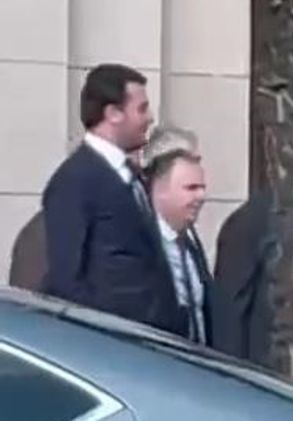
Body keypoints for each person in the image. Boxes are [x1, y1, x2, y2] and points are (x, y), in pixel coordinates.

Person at [42, 63, 189, 335]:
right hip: (112, 344)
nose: (150, 118)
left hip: (150, 342)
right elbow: (67, 283)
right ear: (113, 113)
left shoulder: (130, 177)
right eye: (141, 109)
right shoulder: (75, 181)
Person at [144, 146, 215, 345]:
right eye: (191, 188)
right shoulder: (143, 244)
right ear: (160, 191)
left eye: (202, 188)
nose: (201, 196)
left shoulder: (190, 245)